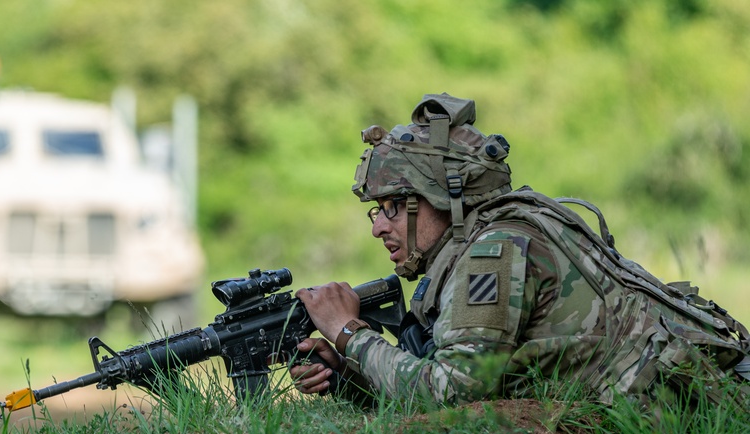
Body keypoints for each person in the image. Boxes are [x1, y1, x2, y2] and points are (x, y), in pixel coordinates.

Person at [291, 93, 750, 406]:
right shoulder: (493, 234)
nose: (379, 228)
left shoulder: (494, 250)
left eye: (392, 207)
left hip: (710, 412)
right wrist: (349, 375)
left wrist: (348, 332)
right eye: (377, 211)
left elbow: (455, 393)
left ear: (445, 200)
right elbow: (460, 381)